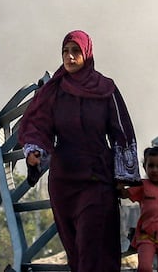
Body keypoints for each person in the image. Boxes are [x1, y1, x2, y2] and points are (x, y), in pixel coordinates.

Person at [18, 30, 140, 272]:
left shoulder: (105, 89)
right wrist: (35, 151)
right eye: (65, 51)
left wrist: (124, 178)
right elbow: (37, 124)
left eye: (75, 51)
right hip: (64, 181)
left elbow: (122, 132)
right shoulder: (54, 91)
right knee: (75, 250)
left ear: (87, 53)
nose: (70, 57)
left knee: (91, 245)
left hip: (96, 178)